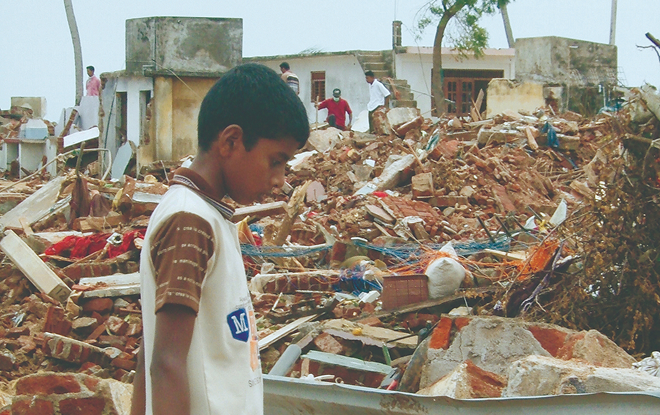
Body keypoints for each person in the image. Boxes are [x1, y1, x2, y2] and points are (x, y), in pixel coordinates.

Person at [130, 63, 309, 415]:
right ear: (231, 141)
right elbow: (165, 363)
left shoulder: (205, 215)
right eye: (276, 161)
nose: (280, 179)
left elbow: (149, 350)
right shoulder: (190, 221)